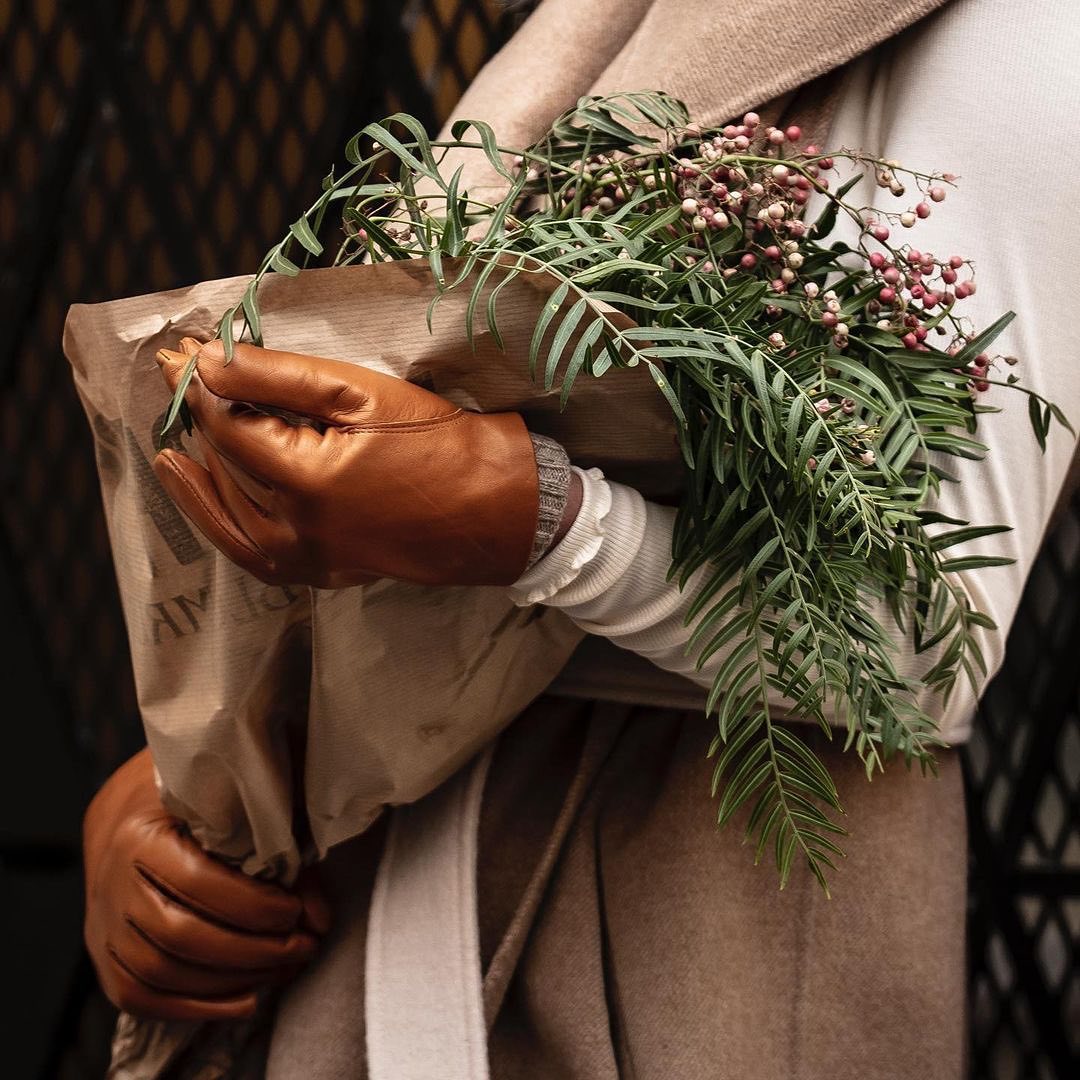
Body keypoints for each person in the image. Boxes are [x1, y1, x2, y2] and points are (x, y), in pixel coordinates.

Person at [82, 0, 1080, 1076]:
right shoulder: (589, 24)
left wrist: (542, 523)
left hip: (708, 894)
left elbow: (929, 643)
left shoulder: (1022, 28)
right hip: (385, 860)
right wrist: (204, 775)